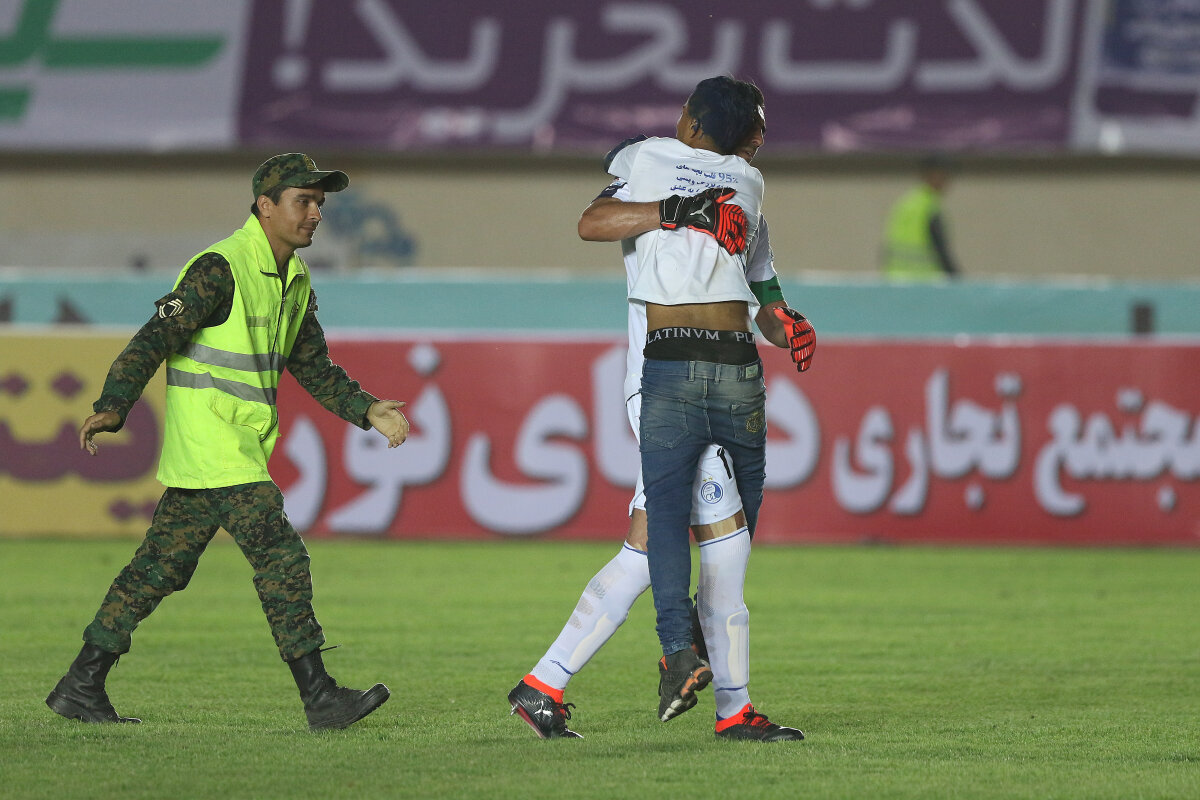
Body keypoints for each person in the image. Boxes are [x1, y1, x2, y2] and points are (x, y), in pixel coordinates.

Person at [46, 153, 409, 732]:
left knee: (159, 568)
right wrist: (114, 404)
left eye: (319, 203)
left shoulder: (295, 279)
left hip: (229, 450)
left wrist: (365, 408)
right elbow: (154, 336)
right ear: (265, 206)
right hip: (215, 445)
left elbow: (312, 365)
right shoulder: (219, 268)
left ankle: (81, 684)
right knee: (281, 557)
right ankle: (320, 697)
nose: (315, 213)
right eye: (303, 201)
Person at [507, 78, 811, 741]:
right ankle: (730, 705)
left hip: (724, 369)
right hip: (661, 376)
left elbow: (765, 293)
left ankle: (542, 684)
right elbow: (593, 222)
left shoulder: (746, 196)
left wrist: (785, 323)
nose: (758, 141)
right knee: (725, 550)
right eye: (754, 129)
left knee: (645, 550)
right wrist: (679, 208)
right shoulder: (648, 166)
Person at [881, 154, 961, 280]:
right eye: (943, 176)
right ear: (930, 175)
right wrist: (960, 282)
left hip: (895, 281)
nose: (946, 182)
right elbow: (941, 253)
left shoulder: (906, 203)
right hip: (922, 283)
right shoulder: (929, 208)